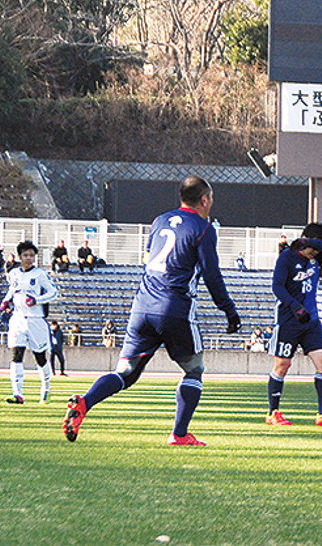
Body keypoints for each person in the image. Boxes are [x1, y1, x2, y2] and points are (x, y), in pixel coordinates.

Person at [63, 176, 241, 445]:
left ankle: (84, 403)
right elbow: (212, 275)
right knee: (194, 370)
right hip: (175, 307)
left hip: (142, 306)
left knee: (125, 373)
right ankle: (179, 434)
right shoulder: (204, 228)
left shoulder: (159, 221)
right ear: (204, 200)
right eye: (211, 199)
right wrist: (229, 311)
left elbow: (150, 259)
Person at [264, 222, 322, 428]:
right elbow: (277, 287)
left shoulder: (316, 258)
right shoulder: (286, 258)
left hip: (311, 321)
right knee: (283, 365)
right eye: (315, 247)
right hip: (288, 320)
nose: (318, 252)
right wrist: (294, 306)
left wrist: (308, 243)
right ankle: (273, 413)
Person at [1, 240, 58, 404]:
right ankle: (17, 393)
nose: (29, 258)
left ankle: (46, 389)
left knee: (40, 358)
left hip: (36, 320)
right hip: (17, 319)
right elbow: (12, 289)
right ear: (20, 256)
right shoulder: (14, 273)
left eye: (32, 255)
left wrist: (37, 300)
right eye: (26, 255)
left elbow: (53, 292)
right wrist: (6, 300)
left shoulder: (40, 275)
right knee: (16, 354)